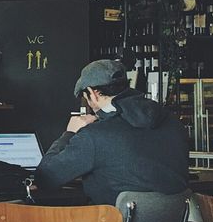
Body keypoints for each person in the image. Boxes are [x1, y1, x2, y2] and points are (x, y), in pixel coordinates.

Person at [35, 59, 188, 206]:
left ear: (93, 93)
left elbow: (45, 178)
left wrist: (69, 133)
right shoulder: (172, 122)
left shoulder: (94, 136)